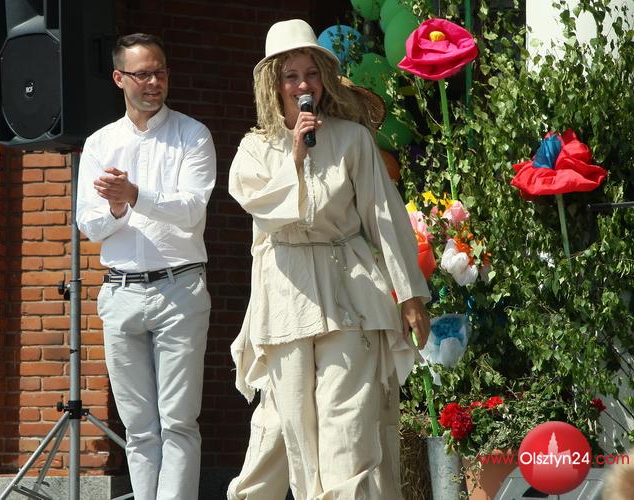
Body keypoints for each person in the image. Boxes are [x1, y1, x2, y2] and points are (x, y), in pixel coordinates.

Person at [227, 19, 430, 499]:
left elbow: (384, 216)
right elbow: (261, 207)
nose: (303, 85)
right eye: (291, 76)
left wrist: (411, 295)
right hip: (286, 295)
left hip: (350, 290)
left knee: (348, 432)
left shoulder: (353, 139)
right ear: (273, 84)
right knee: (292, 433)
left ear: (324, 79)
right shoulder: (254, 148)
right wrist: (295, 156)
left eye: (311, 73)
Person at [76, 32, 216, 500]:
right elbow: (89, 224)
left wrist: (134, 195)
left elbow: (191, 210)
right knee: (138, 427)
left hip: (179, 289)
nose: (153, 82)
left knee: (178, 421)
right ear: (119, 78)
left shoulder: (192, 135)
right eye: (142, 74)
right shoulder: (100, 143)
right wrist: (118, 207)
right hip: (120, 292)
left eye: (160, 72)